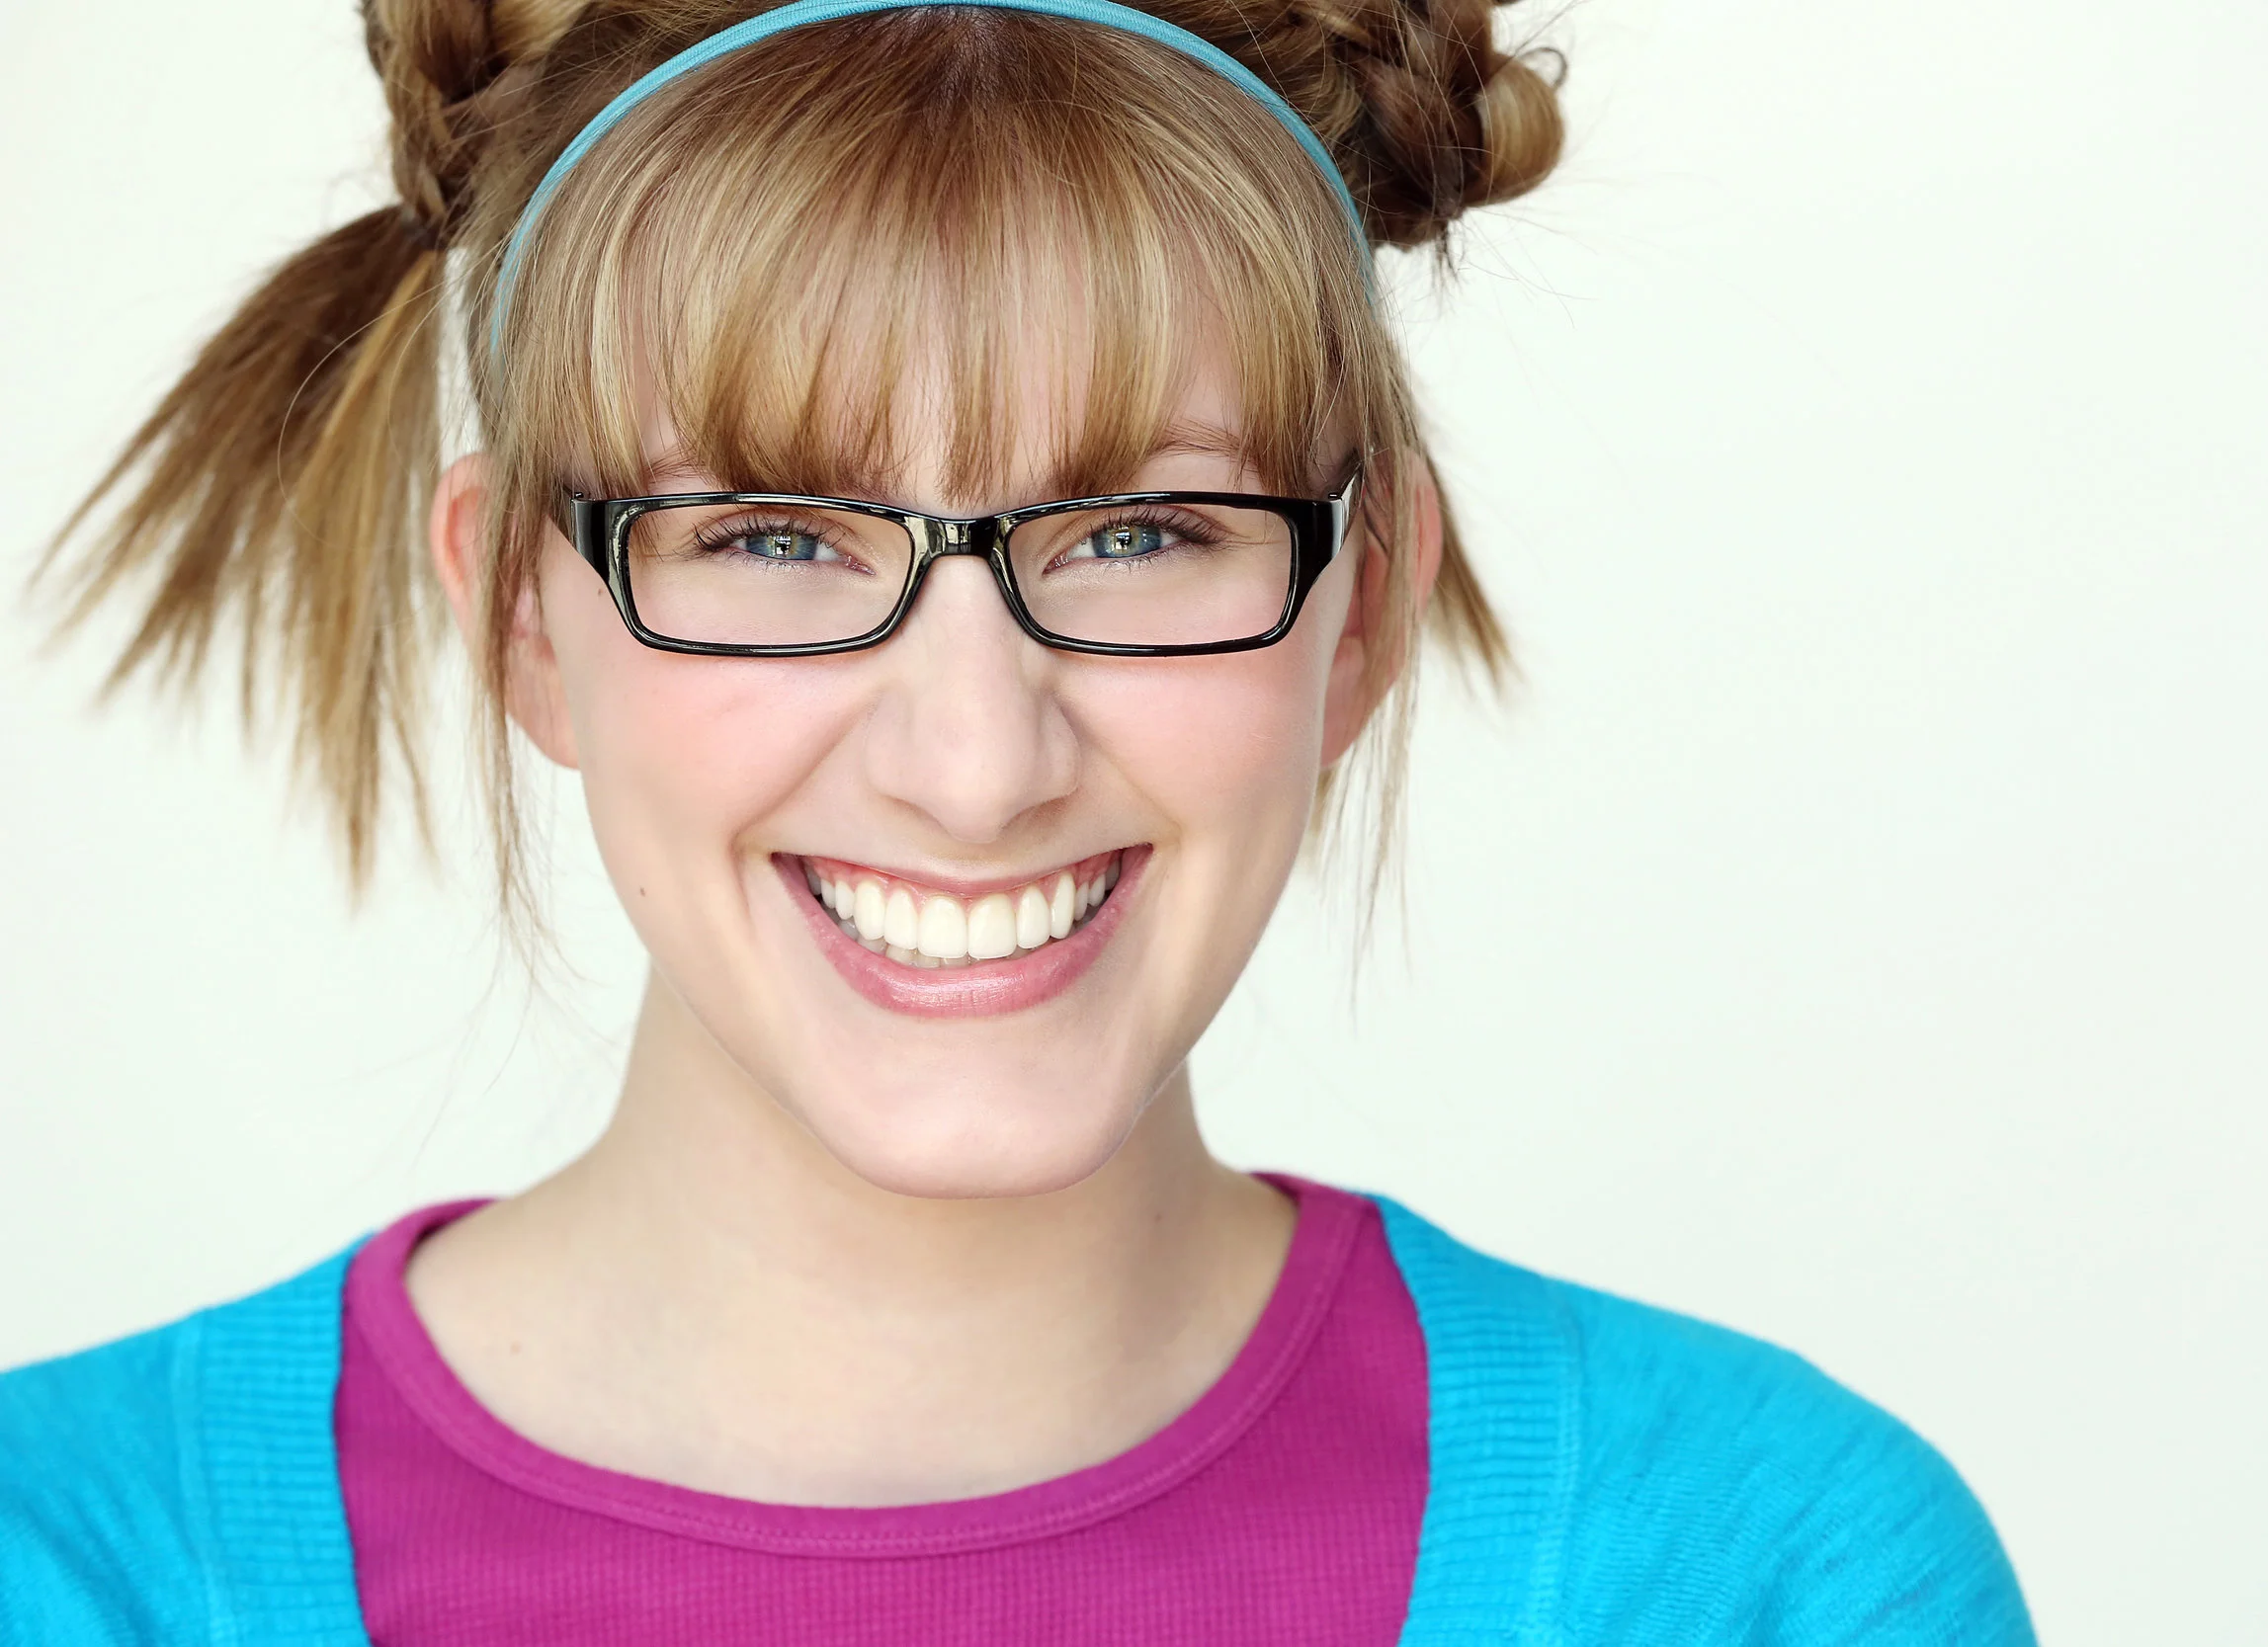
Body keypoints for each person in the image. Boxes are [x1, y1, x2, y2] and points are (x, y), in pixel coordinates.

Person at [0, 1, 2035, 1640]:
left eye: (1142, 530)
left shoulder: (1771, 1576)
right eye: (774, 535)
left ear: (1365, 609)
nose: (974, 762)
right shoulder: (59, 1566)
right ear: (520, 613)